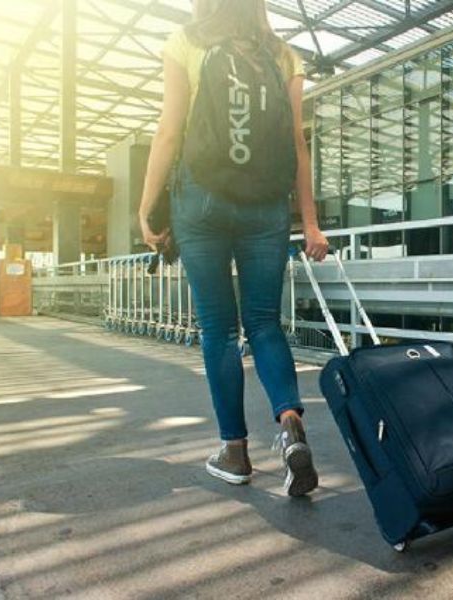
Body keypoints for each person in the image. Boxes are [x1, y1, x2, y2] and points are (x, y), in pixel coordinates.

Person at [137, 0, 329, 496]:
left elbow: (168, 130)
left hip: (200, 202)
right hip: (266, 206)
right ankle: (290, 427)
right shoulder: (283, 55)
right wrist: (310, 223)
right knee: (264, 322)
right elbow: (297, 144)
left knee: (219, 329)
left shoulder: (188, 42)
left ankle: (235, 451)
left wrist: (146, 206)